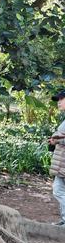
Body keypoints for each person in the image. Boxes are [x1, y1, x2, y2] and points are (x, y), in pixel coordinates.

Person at [48, 89, 65, 227]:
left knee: (58, 190)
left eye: (61, 99)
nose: (58, 102)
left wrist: (57, 139)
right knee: (58, 189)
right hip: (61, 161)